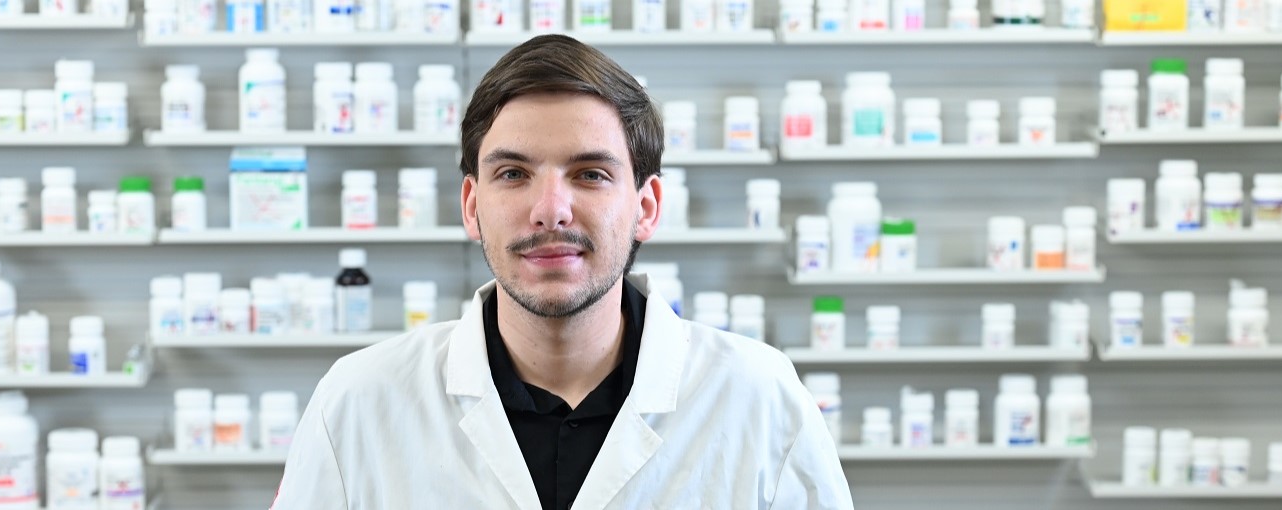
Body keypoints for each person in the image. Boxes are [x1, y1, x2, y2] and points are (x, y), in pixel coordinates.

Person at [271, 34, 853, 510]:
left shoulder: (760, 399)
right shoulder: (357, 403)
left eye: (591, 173)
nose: (550, 209)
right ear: (472, 206)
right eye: (513, 174)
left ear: (646, 206)